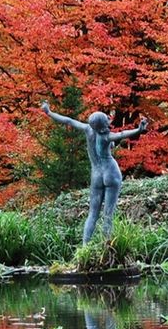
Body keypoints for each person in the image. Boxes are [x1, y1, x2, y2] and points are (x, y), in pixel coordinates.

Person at [41, 102, 149, 243]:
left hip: (97, 175)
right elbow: (122, 134)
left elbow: (68, 120)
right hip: (111, 172)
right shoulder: (107, 136)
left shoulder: (87, 129)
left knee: (92, 214)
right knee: (108, 214)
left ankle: (85, 248)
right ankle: (106, 248)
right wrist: (139, 130)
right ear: (104, 123)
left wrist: (49, 112)